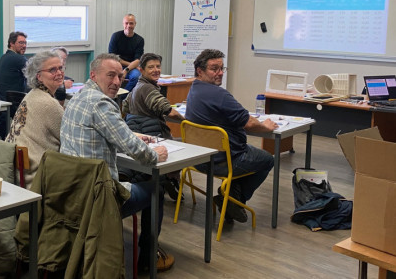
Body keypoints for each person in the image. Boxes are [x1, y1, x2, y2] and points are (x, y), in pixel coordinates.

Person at [59, 53, 174, 273]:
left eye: (120, 76)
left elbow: (109, 132)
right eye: (110, 75)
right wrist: (155, 154)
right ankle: (148, 260)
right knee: (156, 190)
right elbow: (137, 152)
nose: (116, 82)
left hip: (72, 191)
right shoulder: (102, 103)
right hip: (99, 198)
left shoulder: (78, 98)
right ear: (93, 75)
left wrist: (131, 135)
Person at [185, 49, 276, 223]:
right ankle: (233, 201)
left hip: (198, 160)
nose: (220, 73)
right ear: (200, 71)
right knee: (267, 159)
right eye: (214, 69)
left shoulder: (193, 90)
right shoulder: (219, 95)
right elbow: (249, 123)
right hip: (224, 161)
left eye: (222, 68)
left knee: (251, 153)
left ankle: (228, 197)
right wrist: (266, 126)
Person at [121, 53, 185, 200]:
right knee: (183, 149)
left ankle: (168, 179)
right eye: (151, 67)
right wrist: (185, 119)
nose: (156, 70)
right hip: (153, 136)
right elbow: (168, 111)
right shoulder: (149, 89)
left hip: (137, 134)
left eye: (158, 66)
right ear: (142, 70)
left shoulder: (137, 87)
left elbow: (124, 108)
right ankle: (170, 178)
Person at [5, 51, 65, 188]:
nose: (59, 73)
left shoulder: (31, 95)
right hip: (35, 177)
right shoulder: (48, 103)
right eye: (52, 70)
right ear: (39, 77)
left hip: (16, 173)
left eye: (60, 68)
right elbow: (69, 138)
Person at [108, 14, 144, 91]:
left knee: (137, 77)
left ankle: (123, 98)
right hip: (116, 66)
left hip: (131, 68)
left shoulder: (140, 40)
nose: (128, 26)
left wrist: (127, 70)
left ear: (135, 24)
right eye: (126, 23)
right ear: (123, 24)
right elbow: (113, 58)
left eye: (131, 23)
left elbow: (138, 60)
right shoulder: (116, 36)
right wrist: (130, 65)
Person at [0, 31, 28, 100]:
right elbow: (35, 75)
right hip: (15, 102)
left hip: (2, 99)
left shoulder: (4, 57)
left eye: (25, 43)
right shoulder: (19, 59)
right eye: (21, 43)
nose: (24, 46)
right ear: (12, 43)